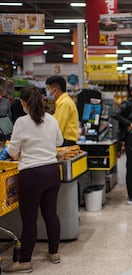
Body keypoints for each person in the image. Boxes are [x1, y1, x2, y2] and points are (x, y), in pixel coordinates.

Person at [3, 85, 63, 273]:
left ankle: (25, 261)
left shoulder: (21, 122)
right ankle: (54, 253)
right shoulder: (51, 120)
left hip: (32, 175)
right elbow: (59, 142)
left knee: (29, 220)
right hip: (52, 172)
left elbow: (12, 152)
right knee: (51, 214)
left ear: (23, 103)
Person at [45, 76, 79, 146]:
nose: (48, 92)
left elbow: (58, 126)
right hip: (64, 141)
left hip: (66, 142)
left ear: (55, 90)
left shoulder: (64, 103)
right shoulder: (62, 102)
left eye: (48, 89)